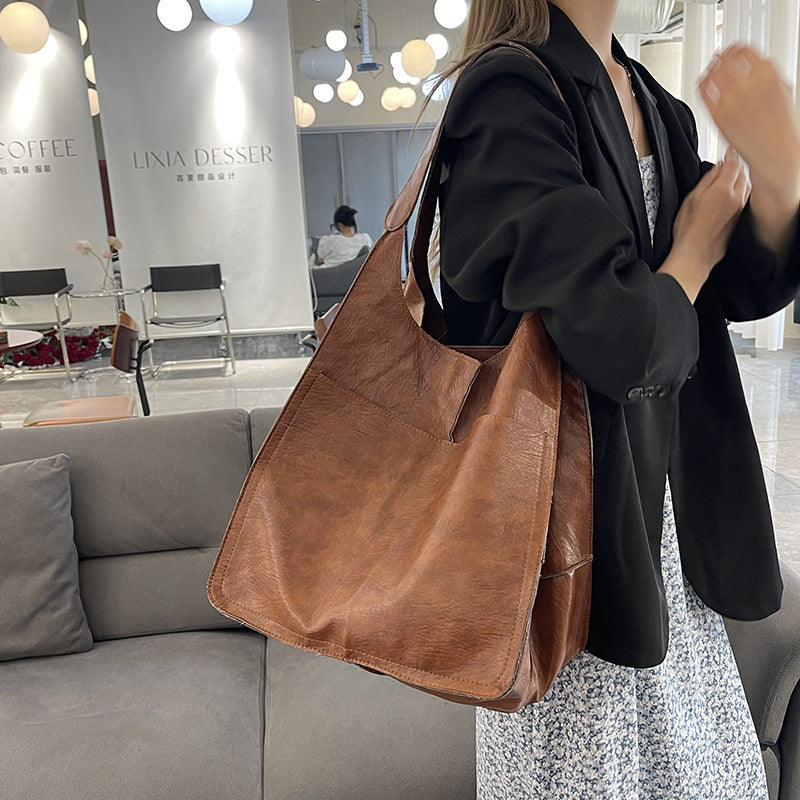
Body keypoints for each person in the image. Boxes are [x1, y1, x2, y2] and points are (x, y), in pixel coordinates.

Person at [434, 1, 800, 797]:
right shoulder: (510, 96)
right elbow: (625, 340)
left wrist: (780, 177)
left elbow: (733, 291)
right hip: (570, 556)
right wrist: (692, 248)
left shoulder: (650, 101)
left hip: (664, 530)